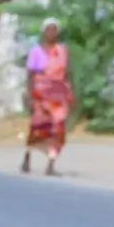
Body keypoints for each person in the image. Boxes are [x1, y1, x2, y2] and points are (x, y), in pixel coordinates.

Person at [24, 18, 71, 176]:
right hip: (40, 95)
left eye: (54, 29)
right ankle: (27, 156)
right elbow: (30, 75)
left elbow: (66, 73)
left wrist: (70, 92)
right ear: (44, 32)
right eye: (49, 29)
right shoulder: (36, 51)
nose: (52, 33)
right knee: (38, 128)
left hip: (58, 96)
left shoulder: (62, 51)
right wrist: (29, 96)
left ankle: (51, 163)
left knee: (58, 128)